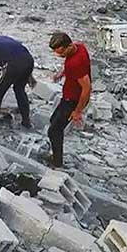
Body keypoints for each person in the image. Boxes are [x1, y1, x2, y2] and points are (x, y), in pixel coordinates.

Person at [46, 32, 91, 168]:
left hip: (73, 100)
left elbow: (87, 88)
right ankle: (55, 154)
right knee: (53, 121)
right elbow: (76, 69)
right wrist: (62, 73)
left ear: (69, 46)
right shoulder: (80, 47)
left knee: (54, 131)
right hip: (68, 96)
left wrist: (77, 111)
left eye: (61, 53)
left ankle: (57, 163)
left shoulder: (75, 63)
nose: (59, 55)